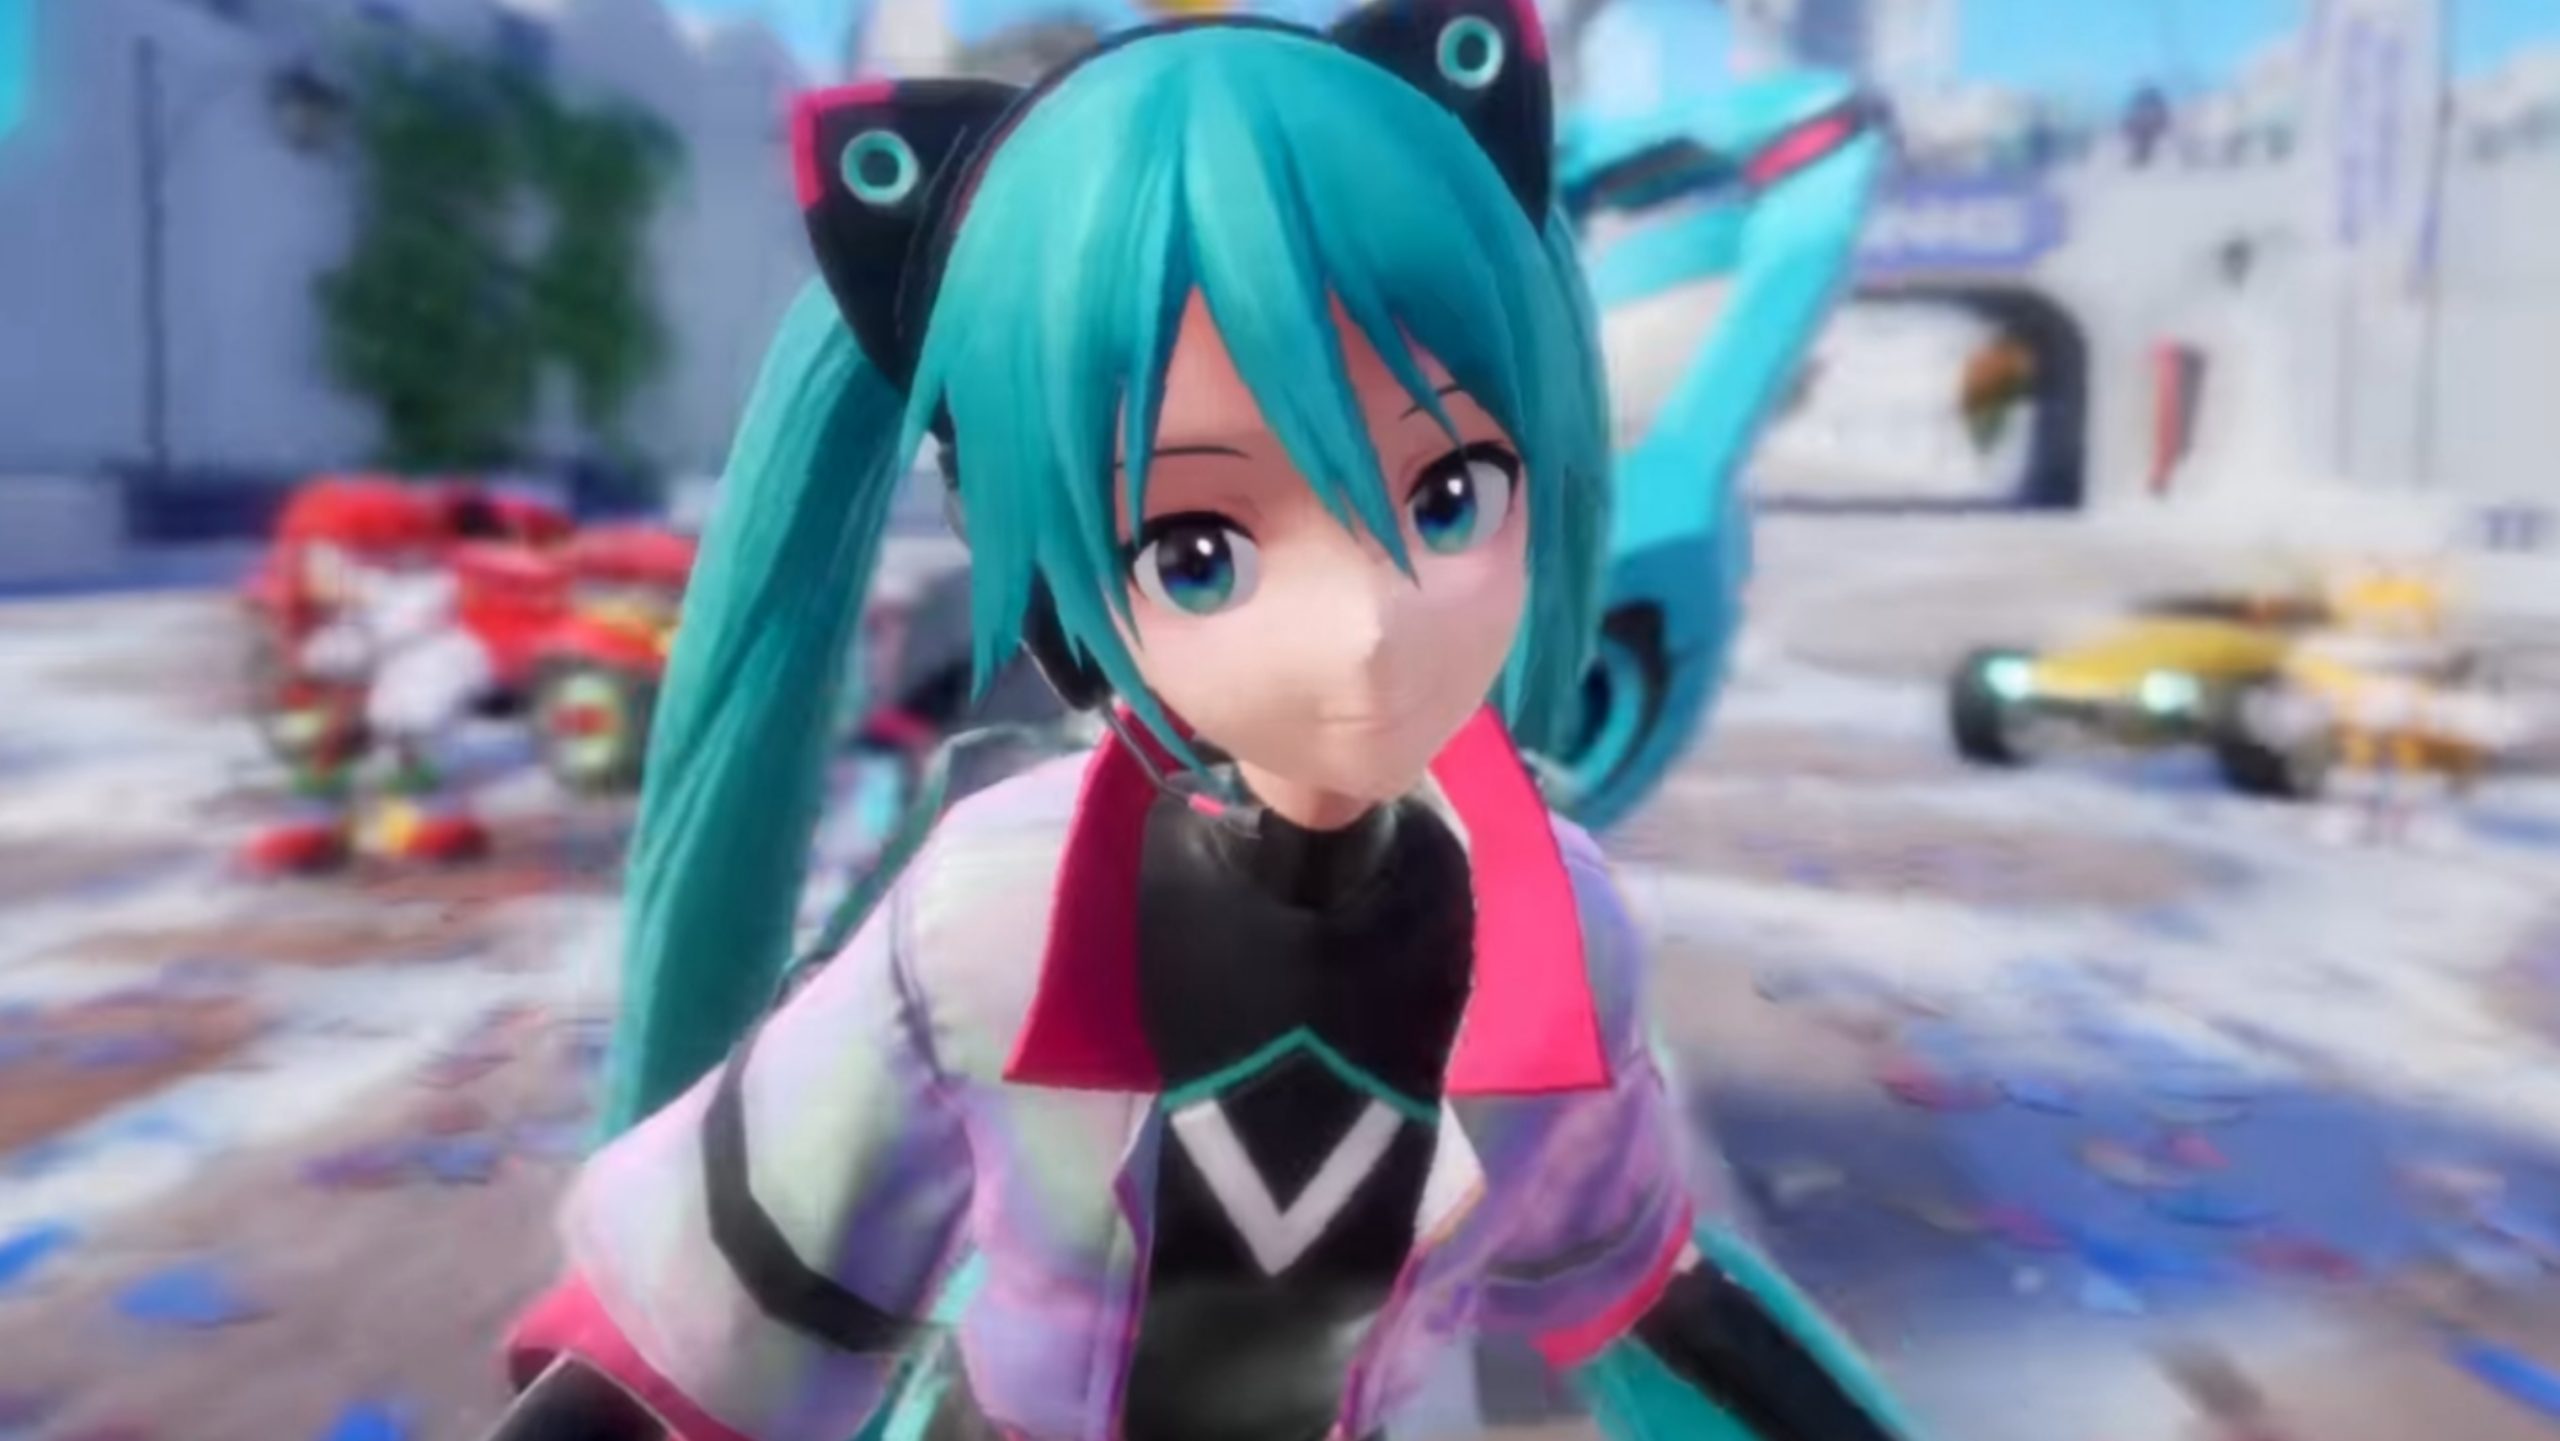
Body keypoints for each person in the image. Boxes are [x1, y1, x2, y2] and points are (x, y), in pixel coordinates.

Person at [483, 4, 1922, 1439]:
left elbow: (1637, 1276)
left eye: (1447, 496)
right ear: (1060, 582)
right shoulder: (995, 917)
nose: (1366, 628)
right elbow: (737, 1300)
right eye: (1198, 549)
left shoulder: (1556, 933)